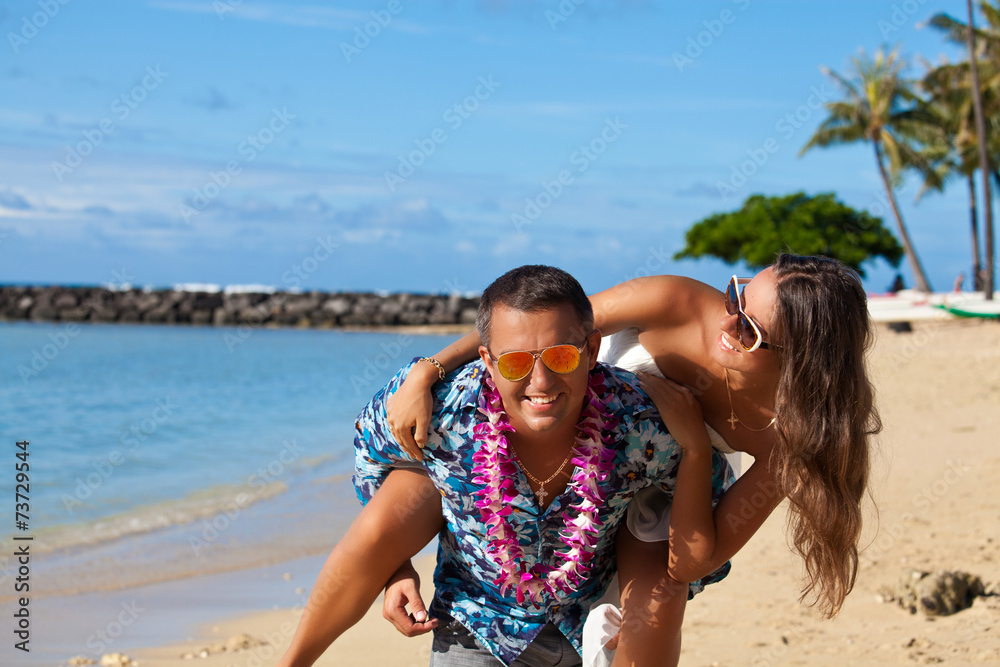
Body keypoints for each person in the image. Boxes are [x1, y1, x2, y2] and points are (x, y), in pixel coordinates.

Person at [384, 254, 881, 664]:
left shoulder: (791, 439)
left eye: (750, 329)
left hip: (664, 490)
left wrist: (695, 445)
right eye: (737, 297)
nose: (727, 321)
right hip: (574, 447)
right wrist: (429, 370)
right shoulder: (674, 301)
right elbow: (530, 333)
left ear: (801, 357)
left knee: (659, 605)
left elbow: (693, 561)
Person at [277, 265, 734, 667]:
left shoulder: (638, 421)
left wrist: (640, 610)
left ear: (592, 349)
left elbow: (700, 526)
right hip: (477, 623)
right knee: (408, 482)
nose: (541, 381)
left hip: (590, 624)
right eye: (515, 363)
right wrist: (396, 570)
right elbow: (369, 455)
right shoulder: (446, 410)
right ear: (487, 362)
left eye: (561, 356)